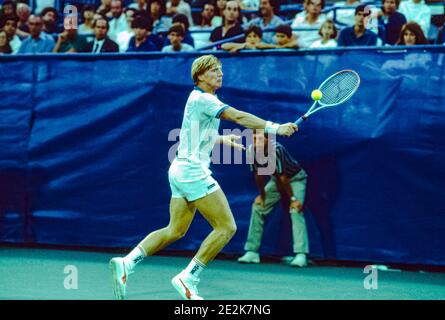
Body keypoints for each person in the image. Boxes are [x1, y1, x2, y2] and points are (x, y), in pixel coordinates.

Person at [109, 54, 298, 300]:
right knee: (226, 227)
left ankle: (128, 262)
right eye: (213, 70)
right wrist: (276, 128)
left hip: (178, 169)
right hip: (192, 172)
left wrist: (221, 139)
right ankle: (188, 277)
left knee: (175, 230)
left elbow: (195, 131)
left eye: (220, 70)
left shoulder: (197, 99)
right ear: (200, 76)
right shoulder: (205, 99)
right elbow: (239, 117)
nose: (220, 73)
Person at [238, 131, 309, 267]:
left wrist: (293, 199)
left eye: (259, 138)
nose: (256, 141)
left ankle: (301, 254)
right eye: (253, 138)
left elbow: (284, 177)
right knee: (258, 207)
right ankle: (252, 252)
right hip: (276, 180)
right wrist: (263, 196)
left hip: (296, 179)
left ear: (268, 139)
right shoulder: (251, 150)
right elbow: (258, 175)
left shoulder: (276, 149)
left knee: (295, 210)